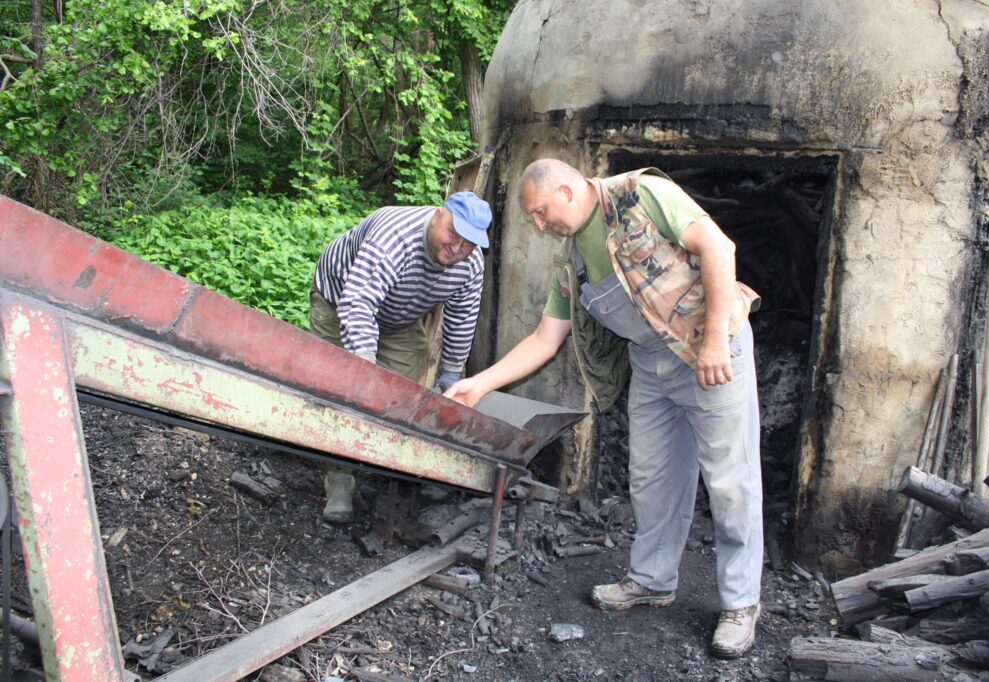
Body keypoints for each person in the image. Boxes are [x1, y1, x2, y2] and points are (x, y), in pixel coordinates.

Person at [444, 159, 763, 659]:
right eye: (533, 218)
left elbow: (719, 248)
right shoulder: (570, 261)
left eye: (541, 212)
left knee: (730, 481)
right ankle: (652, 579)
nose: (539, 225)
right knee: (651, 477)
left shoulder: (641, 193)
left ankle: (741, 604)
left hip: (710, 349)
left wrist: (717, 340)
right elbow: (545, 339)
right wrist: (478, 385)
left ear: (567, 191)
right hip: (652, 364)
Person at [310, 191, 492, 523]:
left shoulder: (471, 263)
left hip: (399, 316)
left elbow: (462, 318)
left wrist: (451, 371)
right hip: (340, 302)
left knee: (403, 392)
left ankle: (392, 464)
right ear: (438, 216)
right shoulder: (395, 237)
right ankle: (340, 478)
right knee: (343, 390)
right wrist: (364, 365)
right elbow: (358, 304)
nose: (458, 248)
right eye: (453, 234)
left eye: (468, 243)